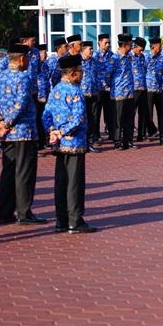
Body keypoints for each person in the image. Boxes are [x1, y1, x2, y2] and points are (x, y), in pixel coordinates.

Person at [42, 54, 97, 234]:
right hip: (74, 143)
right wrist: (62, 132)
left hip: (58, 144)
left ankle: (61, 221)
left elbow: (46, 115)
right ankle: (75, 220)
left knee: (61, 182)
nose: (82, 75)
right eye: (80, 71)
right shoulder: (75, 91)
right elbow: (78, 118)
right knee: (74, 183)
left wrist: (52, 131)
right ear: (73, 73)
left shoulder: (56, 89)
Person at [0, 44, 45, 225]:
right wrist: (7, 123)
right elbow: (21, 104)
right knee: (24, 173)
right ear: (21, 58)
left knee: (8, 171)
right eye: (28, 58)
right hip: (23, 131)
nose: (29, 61)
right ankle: (23, 212)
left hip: (6, 133)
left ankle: (5, 213)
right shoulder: (23, 77)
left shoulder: (1, 76)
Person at [105, 34, 136, 150]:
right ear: (123, 45)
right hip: (118, 93)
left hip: (129, 93)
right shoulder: (115, 58)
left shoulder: (129, 57)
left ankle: (128, 141)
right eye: (130, 45)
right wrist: (113, 86)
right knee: (118, 119)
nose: (131, 47)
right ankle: (117, 141)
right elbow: (107, 75)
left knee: (129, 119)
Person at [94, 33, 115, 141]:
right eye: (105, 42)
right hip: (98, 89)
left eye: (109, 43)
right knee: (96, 114)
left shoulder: (112, 55)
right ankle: (96, 135)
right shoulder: (95, 56)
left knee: (110, 113)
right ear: (99, 43)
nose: (108, 45)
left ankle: (112, 133)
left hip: (109, 88)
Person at [80, 41, 99, 152]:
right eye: (89, 49)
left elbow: (98, 75)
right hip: (82, 95)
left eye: (92, 49)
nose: (91, 51)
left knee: (92, 119)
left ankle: (89, 143)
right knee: (83, 119)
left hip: (93, 93)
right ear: (83, 50)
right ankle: (82, 142)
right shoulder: (79, 61)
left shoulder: (94, 61)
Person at [145, 37, 163, 139]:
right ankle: (151, 131)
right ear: (153, 46)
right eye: (159, 45)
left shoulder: (162, 58)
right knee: (149, 112)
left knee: (161, 112)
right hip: (149, 89)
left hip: (159, 89)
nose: (161, 47)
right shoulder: (146, 57)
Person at [130, 37, 150, 141]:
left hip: (143, 88)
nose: (141, 52)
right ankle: (129, 135)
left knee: (143, 112)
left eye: (142, 50)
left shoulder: (142, 57)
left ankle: (141, 135)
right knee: (131, 113)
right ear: (134, 46)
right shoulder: (128, 56)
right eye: (140, 49)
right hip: (133, 89)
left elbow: (146, 69)